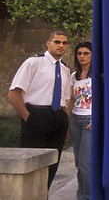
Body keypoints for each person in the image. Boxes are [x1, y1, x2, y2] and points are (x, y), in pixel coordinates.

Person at [8, 30, 71, 190]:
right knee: (32, 163)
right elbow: (14, 94)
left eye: (64, 43)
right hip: (36, 114)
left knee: (52, 164)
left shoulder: (65, 69)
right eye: (57, 42)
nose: (61, 46)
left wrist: (65, 121)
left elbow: (66, 98)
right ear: (48, 43)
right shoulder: (33, 63)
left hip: (58, 117)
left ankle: (43, 194)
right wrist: (28, 117)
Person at [67, 42, 92, 200]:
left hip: (90, 121)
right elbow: (71, 100)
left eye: (86, 53)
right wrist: (67, 122)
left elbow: (106, 100)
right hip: (75, 120)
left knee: (85, 163)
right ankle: (81, 196)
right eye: (79, 53)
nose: (82, 56)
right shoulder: (73, 76)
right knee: (78, 163)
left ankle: (90, 196)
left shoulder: (98, 75)